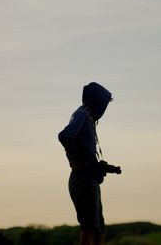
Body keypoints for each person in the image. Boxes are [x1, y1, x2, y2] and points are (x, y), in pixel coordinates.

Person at [58, 82, 119, 245]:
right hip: (83, 179)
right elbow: (64, 136)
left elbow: (83, 149)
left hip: (89, 179)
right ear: (95, 101)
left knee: (99, 230)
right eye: (103, 103)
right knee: (89, 228)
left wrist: (100, 166)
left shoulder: (88, 118)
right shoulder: (83, 114)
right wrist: (76, 154)